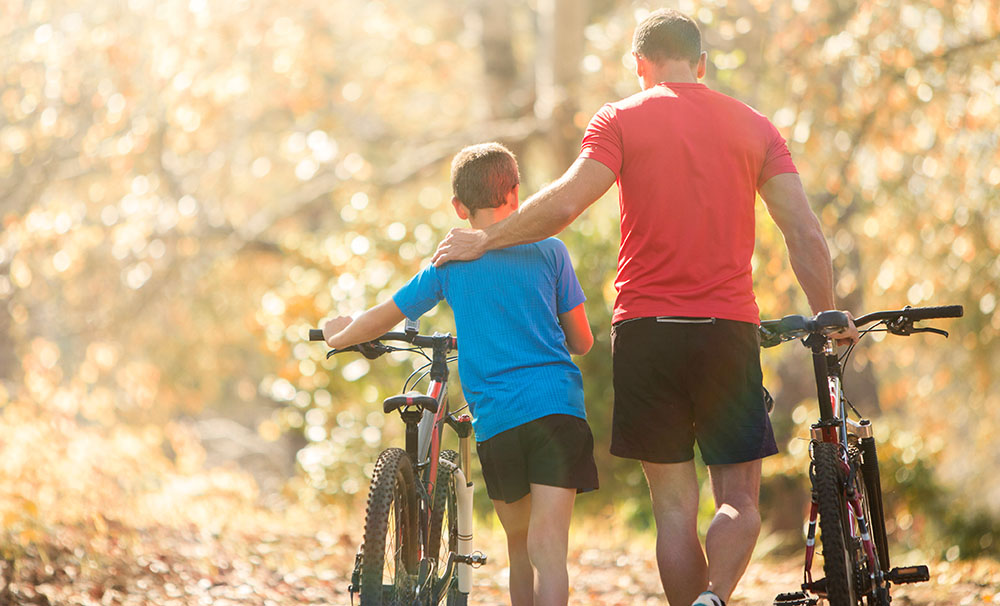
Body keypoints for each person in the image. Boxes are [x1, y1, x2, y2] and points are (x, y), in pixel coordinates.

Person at [430, 10, 859, 606]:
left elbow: (564, 205)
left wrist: (486, 238)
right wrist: (828, 315)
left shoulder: (620, 119)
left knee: (674, 512)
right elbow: (804, 234)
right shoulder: (755, 127)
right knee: (738, 500)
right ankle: (715, 598)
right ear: (702, 63)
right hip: (725, 329)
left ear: (640, 67)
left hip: (644, 332)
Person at [322, 142, 598, 606]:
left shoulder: (449, 264)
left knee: (518, 549)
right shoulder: (551, 251)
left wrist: (339, 336)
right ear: (516, 195)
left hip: (501, 421)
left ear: (458, 207)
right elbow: (583, 341)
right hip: (556, 410)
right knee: (550, 553)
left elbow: (386, 313)